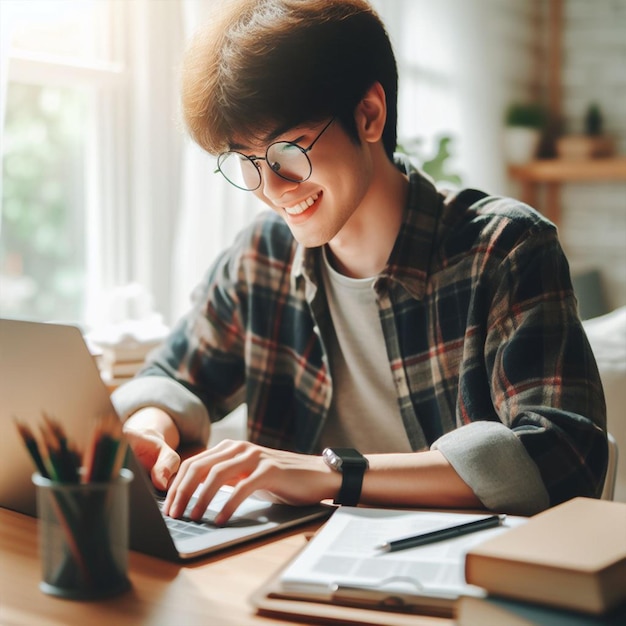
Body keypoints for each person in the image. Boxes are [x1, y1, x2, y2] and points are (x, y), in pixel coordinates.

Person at [112, 0, 607, 527]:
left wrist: (331, 474)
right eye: (249, 163)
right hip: (288, 571)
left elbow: (564, 456)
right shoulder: (263, 254)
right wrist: (149, 426)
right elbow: (176, 375)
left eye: (288, 149)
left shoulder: (505, 247)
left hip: (458, 577)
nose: (273, 188)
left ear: (369, 114)